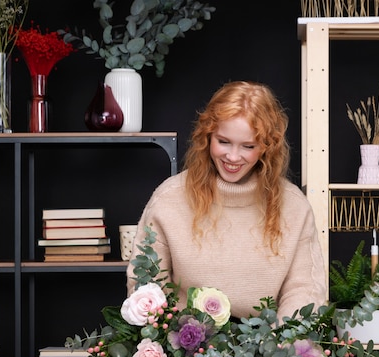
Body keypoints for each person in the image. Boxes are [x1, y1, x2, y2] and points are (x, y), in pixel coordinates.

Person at [126, 81, 327, 320]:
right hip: (186, 344)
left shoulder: (293, 205)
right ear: (207, 136)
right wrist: (181, 341)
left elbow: (304, 290)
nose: (232, 156)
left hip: (268, 346)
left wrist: (280, 346)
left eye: (248, 146)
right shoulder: (169, 199)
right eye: (223, 142)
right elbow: (147, 284)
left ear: (267, 147)